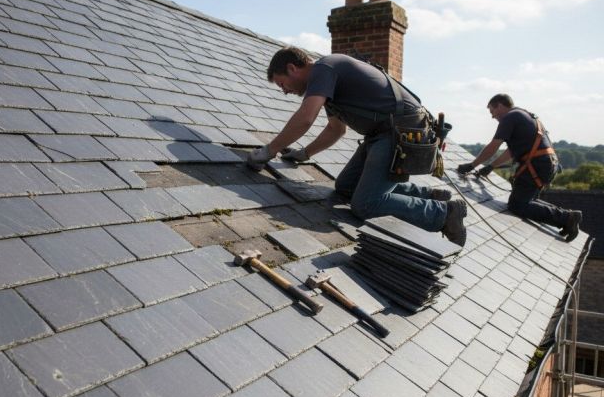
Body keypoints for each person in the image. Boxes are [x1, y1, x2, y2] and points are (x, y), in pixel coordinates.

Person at [248, 46, 467, 246]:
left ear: (292, 68)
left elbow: (306, 117)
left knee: (366, 204)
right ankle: (428, 195)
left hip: (398, 132)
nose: (284, 91)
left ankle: (444, 214)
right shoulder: (327, 80)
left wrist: (269, 151)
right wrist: (303, 154)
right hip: (383, 134)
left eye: (282, 84)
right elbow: (336, 130)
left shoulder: (324, 69)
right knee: (346, 187)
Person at [457, 94, 582, 242]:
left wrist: (472, 165)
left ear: (500, 106)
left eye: (492, 111)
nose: (492, 117)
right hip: (546, 164)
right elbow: (511, 151)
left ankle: (567, 218)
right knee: (527, 200)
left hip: (537, 165)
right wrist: (491, 166)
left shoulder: (510, 117)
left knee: (517, 205)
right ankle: (567, 218)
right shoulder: (523, 115)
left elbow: (494, 145)